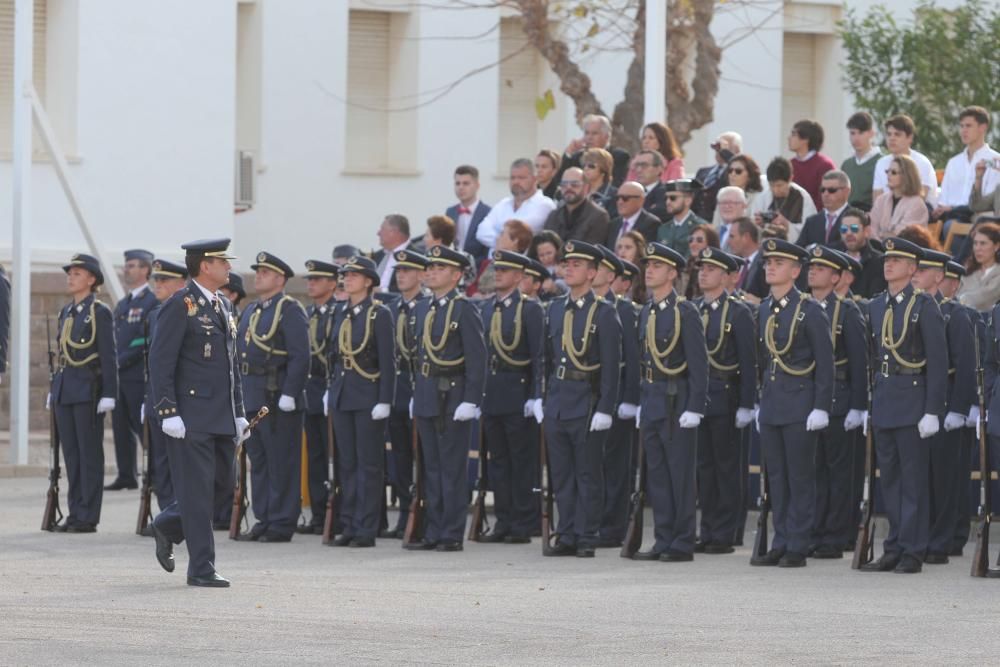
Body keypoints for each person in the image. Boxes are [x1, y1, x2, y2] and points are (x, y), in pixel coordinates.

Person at [149, 238, 246, 587]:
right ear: (205, 265)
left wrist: (239, 411)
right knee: (197, 492)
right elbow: (160, 362)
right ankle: (201, 568)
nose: (229, 268)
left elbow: (232, 367)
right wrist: (168, 411)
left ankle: (168, 523)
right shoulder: (180, 305)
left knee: (222, 486)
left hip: (220, 414)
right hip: (189, 417)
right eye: (223, 262)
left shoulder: (225, 306)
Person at [862, 237, 947, 574]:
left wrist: (932, 410)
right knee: (891, 480)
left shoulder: (925, 307)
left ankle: (913, 548)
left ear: (913, 268)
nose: (889, 264)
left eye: (897, 260)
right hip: (885, 398)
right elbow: (873, 357)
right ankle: (894, 545)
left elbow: (938, 364)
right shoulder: (876, 306)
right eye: (887, 259)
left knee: (912, 480)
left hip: (913, 399)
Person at [535, 241, 621, 557]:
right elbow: (544, 359)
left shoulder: (604, 312)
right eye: (567, 263)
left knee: (587, 473)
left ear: (593, 272)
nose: (569, 268)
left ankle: (587, 535)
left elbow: (612, 366)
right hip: (558, 400)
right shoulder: (555, 308)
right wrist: (539, 398)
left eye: (577, 264)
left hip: (586, 400)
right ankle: (567, 533)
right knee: (561, 475)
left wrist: (606, 408)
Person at [753, 239, 834, 568]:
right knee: (777, 478)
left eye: (779, 262)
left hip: (800, 403)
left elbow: (825, 363)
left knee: (800, 477)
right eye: (768, 261)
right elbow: (762, 360)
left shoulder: (810, 310)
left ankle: (798, 543)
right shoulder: (763, 308)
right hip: (773, 403)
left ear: (796, 271)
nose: (771, 266)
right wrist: (759, 402)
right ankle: (781, 539)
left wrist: (821, 406)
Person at [631, 242, 707, 561]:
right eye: (648, 265)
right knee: (658, 476)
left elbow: (699, 365)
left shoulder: (684, 311)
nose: (649, 270)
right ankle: (662, 537)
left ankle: (682, 539)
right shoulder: (648, 310)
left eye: (657, 266)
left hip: (677, 401)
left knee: (679, 475)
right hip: (652, 399)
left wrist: (695, 407)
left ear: (672, 273)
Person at [407, 246, 486, 552]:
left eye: (440, 268)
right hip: (428, 391)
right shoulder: (426, 308)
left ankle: (451, 532)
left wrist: (471, 399)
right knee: (432, 467)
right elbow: (419, 354)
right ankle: (433, 529)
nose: (432, 272)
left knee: (451, 467)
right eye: (431, 267)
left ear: (456, 275)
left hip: (453, 395)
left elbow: (477, 359)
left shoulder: (464, 309)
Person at [235, 252, 310, 543]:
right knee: (260, 461)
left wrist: (290, 393)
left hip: (276, 394)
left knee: (282, 462)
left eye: (265, 273)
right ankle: (264, 518)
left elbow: (300, 357)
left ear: (280, 279)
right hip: (253, 394)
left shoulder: (289, 309)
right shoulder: (254, 309)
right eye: (258, 272)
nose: (259, 276)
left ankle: (281, 521)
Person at [910, 249, 976, 565]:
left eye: (922, 271)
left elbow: (964, 366)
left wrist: (959, 409)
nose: (916, 275)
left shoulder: (955, 315)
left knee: (946, 477)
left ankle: (944, 539)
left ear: (940, 278)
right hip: (923, 400)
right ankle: (929, 536)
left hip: (948, 401)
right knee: (924, 476)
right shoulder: (915, 309)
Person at [325, 256, 395, 548]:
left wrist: (385, 399)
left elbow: (389, 362)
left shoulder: (379, 314)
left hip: (368, 395)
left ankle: (366, 527)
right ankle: (350, 523)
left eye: (354, 275)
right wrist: (332, 389)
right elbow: (333, 355)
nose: (347, 279)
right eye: (345, 275)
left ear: (368, 281)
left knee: (368, 465)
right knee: (347, 464)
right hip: (343, 394)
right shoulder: (341, 312)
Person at [477, 250, 545, 543]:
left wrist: (536, 395)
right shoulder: (487, 309)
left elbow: (539, 356)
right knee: (498, 462)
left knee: (522, 461)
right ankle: (503, 520)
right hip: (492, 393)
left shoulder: (529, 309)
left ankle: (523, 522)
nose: (499, 274)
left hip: (518, 392)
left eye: (505, 270)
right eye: (497, 269)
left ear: (519, 276)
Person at [804, 245, 867, 558]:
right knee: (812, 472)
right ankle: (814, 530)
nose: (813, 271)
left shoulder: (845, 311)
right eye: (811, 266)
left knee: (837, 473)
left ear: (836, 277)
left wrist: (858, 405)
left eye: (821, 268)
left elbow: (858, 362)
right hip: (807, 400)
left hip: (839, 401)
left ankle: (835, 535)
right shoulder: (802, 307)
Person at [49, 254, 118, 533]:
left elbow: (108, 356)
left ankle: (88, 515)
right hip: (66, 390)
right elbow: (62, 355)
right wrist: (55, 390)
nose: (71, 277)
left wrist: (109, 393)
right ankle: (75, 511)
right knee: (71, 455)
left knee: (89, 456)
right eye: (70, 273)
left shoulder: (99, 311)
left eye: (77, 273)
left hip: (88, 390)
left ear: (91, 279)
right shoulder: (67, 312)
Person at [692, 248, 755, 554]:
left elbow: (748, 360)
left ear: (728, 276)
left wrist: (747, 403)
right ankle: (708, 529)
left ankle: (726, 532)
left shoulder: (738, 312)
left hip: (726, 396)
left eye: (711, 269)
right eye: (701, 268)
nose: (703, 272)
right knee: (704, 467)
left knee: (727, 468)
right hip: (700, 398)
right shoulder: (692, 308)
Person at [592, 248, 640, 549]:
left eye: (596, 268)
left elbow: (633, 359)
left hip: (617, 398)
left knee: (615, 465)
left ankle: (612, 526)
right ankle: (592, 521)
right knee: (591, 465)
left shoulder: (623, 309)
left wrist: (630, 398)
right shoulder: (584, 306)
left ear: (610, 276)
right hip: (589, 397)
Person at [382, 249, 430, 538]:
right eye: (399, 271)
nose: (401, 276)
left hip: (421, 388)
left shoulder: (427, 307)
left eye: (408, 271)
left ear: (422, 275)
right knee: (399, 457)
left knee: (423, 457)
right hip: (398, 390)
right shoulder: (393, 308)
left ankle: (422, 514)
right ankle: (403, 514)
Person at [142, 259, 191, 515]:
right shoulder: (153, 314)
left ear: (182, 283)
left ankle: (180, 514)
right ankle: (166, 515)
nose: (158, 284)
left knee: (179, 463)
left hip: (179, 400)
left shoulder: (189, 311)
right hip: (156, 399)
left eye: (164, 280)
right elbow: (151, 361)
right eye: (156, 280)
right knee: (160, 462)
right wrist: (146, 398)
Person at [296, 260, 340, 536]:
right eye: (310, 279)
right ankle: (318, 513)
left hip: (331, 389)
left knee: (334, 455)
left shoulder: (338, 313)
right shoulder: (308, 314)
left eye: (318, 279)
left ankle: (336, 513)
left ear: (333, 284)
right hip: (311, 393)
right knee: (315, 456)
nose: (311, 283)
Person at [108, 249, 158, 491]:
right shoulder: (123, 303)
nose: (127, 269)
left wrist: (119, 360)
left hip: (137, 375)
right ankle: (126, 474)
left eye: (132, 265)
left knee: (142, 428)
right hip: (119, 376)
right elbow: (115, 337)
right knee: (120, 426)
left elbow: (143, 339)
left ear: (146, 270)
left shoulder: (151, 301)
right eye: (126, 265)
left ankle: (157, 476)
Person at [933, 106, 999, 224]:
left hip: (978, 216)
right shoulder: (953, 162)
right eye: (961, 126)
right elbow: (943, 199)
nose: (963, 130)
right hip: (950, 216)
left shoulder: (995, 160)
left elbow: (989, 201)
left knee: (950, 225)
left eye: (968, 126)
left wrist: (953, 208)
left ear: (982, 128)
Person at [476, 158, 557, 249]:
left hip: (524, 262)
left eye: (521, 178)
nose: (516, 182)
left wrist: (498, 235)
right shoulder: (502, 204)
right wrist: (500, 242)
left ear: (535, 179)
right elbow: (481, 231)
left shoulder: (545, 204)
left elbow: (519, 233)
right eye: (512, 178)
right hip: (494, 261)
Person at [871, 114, 938, 204]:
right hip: (888, 211)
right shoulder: (881, 163)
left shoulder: (922, 162)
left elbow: (920, 199)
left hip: (918, 213)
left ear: (910, 138)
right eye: (889, 134)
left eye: (897, 134)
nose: (892, 138)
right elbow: (877, 201)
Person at [752, 157, 816, 243]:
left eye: (779, 185)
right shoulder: (763, 195)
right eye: (772, 185)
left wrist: (786, 224)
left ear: (790, 178)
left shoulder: (802, 197)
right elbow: (753, 223)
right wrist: (760, 223)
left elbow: (811, 230)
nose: (775, 190)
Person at [543, 166, 611, 245]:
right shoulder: (553, 216)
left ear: (586, 188)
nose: (568, 188)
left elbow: (592, 252)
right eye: (564, 184)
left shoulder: (598, 216)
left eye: (574, 184)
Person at [558, 113, 631, 186]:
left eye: (594, 133)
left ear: (606, 136)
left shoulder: (619, 156)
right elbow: (559, 180)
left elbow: (616, 184)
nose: (589, 137)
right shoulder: (578, 156)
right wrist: (568, 151)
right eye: (587, 133)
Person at [869, 155, 931, 240]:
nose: (888, 175)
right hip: (879, 249)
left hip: (906, 251)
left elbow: (901, 236)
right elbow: (872, 228)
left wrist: (882, 234)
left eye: (893, 172)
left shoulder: (916, 204)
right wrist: (879, 238)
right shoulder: (881, 200)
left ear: (906, 175)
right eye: (888, 171)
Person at [468, 219, 533, 298]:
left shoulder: (523, 269)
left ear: (515, 241)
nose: (497, 238)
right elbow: (472, 286)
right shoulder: (487, 263)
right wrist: (475, 294)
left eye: (502, 234)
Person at [445, 165, 492, 266]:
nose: (461, 187)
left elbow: (487, 249)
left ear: (477, 185)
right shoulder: (450, 212)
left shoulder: (488, 213)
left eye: (466, 183)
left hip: (477, 269)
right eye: (457, 183)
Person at [693, 131, 743, 221]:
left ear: (737, 150)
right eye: (717, 147)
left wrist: (725, 153)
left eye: (723, 147)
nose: (718, 151)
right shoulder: (702, 172)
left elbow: (738, 164)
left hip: (720, 218)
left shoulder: (736, 172)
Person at [788, 119, 837, 210]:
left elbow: (825, 200)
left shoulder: (824, 165)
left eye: (794, 134)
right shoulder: (789, 165)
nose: (789, 138)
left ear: (805, 139)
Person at [796, 171, 852, 250]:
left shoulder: (855, 218)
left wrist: (817, 248)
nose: (825, 194)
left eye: (832, 190)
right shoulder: (812, 221)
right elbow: (799, 248)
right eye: (822, 190)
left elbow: (849, 244)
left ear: (846, 191)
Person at [839, 208, 887, 298]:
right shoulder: (836, 260)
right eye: (844, 229)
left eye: (854, 228)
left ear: (867, 231)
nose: (848, 233)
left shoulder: (879, 262)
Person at [841, 111, 882, 210]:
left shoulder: (882, 162)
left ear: (871, 133)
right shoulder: (846, 165)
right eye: (852, 133)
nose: (856, 138)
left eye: (861, 133)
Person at [956, 222, 1000, 311]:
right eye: (975, 243)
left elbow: (984, 297)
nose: (977, 248)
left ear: (996, 246)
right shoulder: (968, 268)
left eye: (983, 243)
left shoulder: (997, 272)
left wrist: (957, 301)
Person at [657, 179, 707, 256]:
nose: (668, 202)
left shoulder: (701, 227)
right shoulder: (663, 229)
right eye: (666, 198)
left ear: (688, 201)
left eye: (673, 198)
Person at [606, 181, 661, 248]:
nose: (620, 202)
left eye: (625, 198)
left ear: (641, 200)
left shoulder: (651, 224)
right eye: (617, 198)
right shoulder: (613, 224)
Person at [713, 155, 764, 226]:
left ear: (750, 175)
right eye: (730, 171)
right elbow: (716, 226)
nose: (733, 174)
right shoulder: (723, 196)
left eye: (738, 171)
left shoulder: (758, 198)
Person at [728, 217, 767, 301]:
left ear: (746, 237)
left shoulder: (765, 264)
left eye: (732, 236)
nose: (728, 241)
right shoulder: (735, 264)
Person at [373, 215, 413, 294]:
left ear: (393, 232)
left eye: (382, 229)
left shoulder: (414, 257)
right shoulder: (378, 256)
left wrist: (383, 291)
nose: (378, 233)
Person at [682, 223, 719, 300]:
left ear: (711, 243)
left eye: (699, 240)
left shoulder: (718, 270)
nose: (693, 244)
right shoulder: (684, 268)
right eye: (691, 240)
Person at [632, 150, 670, 223]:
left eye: (644, 165)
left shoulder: (666, 193)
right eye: (637, 165)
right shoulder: (630, 191)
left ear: (658, 169)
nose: (639, 170)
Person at [581, 147, 618, 218]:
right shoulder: (580, 191)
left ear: (603, 169)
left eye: (591, 166)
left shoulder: (613, 195)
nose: (586, 168)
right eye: (584, 165)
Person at [615, 230, 648, 303]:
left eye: (628, 247)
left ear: (638, 250)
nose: (622, 251)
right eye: (619, 247)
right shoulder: (613, 274)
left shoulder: (647, 275)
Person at [715, 186, 749, 251]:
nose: (727, 206)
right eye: (723, 202)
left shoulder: (749, 231)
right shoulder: (714, 232)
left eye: (732, 202)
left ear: (744, 205)